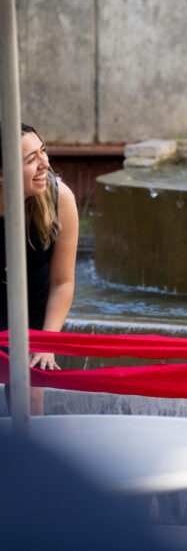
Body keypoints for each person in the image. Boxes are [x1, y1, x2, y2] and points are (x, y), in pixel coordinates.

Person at [0, 123, 78, 415]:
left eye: (42, 151)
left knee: (30, 391)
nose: (45, 163)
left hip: (33, 299)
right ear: (3, 173)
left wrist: (47, 343)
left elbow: (62, 282)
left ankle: (27, 444)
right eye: (31, 159)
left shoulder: (61, 198)